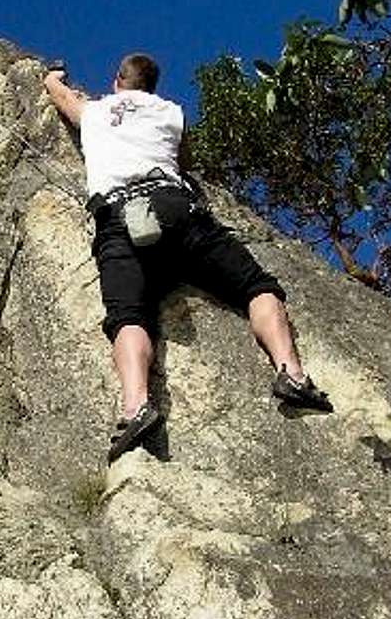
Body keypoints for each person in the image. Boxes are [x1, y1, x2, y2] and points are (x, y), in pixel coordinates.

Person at [44, 52, 332, 462]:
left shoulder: (94, 110)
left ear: (117, 80)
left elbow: (58, 94)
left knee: (127, 315)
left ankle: (135, 407)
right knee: (256, 286)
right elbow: (185, 160)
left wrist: (55, 75)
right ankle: (292, 374)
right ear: (151, 85)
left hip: (118, 219)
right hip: (176, 209)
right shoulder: (170, 112)